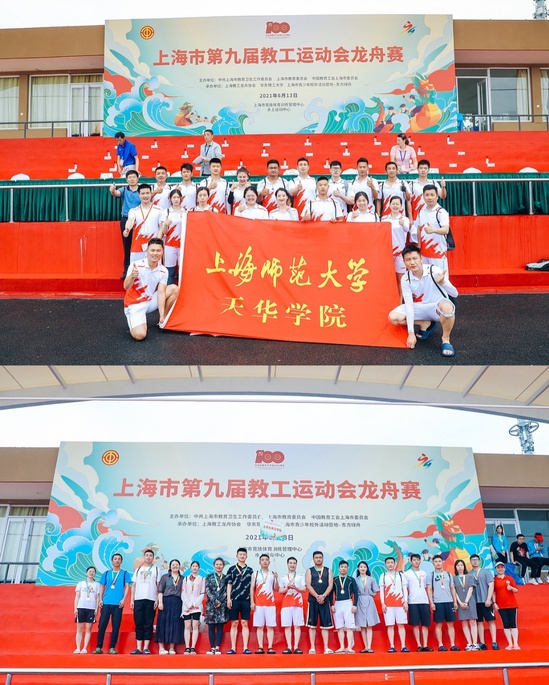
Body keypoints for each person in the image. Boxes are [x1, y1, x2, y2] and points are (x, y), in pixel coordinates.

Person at [388, 244, 458, 357]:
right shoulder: (406, 278)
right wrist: (411, 333)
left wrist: (443, 283)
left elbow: (455, 293)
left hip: (436, 307)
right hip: (420, 307)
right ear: (404, 262)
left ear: (421, 258)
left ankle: (446, 340)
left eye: (415, 258)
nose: (412, 262)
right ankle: (424, 323)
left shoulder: (433, 270)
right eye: (408, 260)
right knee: (393, 317)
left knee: (448, 308)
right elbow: (409, 305)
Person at [123, 238, 179, 341]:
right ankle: (137, 320)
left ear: (162, 252)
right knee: (140, 335)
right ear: (147, 251)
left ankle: (162, 322)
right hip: (135, 304)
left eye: (158, 251)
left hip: (150, 301)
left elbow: (161, 292)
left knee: (174, 289)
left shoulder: (163, 270)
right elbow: (126, 287)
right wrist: (132, 276)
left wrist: (161, 315)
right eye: (152, 250)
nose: (155, 253)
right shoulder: (136, 265)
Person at [93, 553, 132, 655]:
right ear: (112, 561)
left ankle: (112, 647)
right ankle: (99, 647)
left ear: (121, 561)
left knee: (116, 626)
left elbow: (127, 586)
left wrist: (124, 599)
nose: (117, 560)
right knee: (102, 625)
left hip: (118, 604)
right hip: (106, 602)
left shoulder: (125, 573)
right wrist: (100, 599)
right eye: (115, 559)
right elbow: (102, 587)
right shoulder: (106, 573)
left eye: (119, 559)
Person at [410, 185, 450, 273]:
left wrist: (433, 230)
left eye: (432, 195)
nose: (429, 197)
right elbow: (418, 229)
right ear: (423, 196)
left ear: (437, 196)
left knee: (440, 278)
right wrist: (419, 246)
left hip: (438, 254)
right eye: (427, 195)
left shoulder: (441, 212)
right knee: (426, 278)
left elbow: (446, 230)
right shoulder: (421, 211)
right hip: (424, 254)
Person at [110, 170, 140, 277]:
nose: (132, 179)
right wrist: (112, 190)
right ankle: (127, 271)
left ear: (137, 178)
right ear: (127, 179)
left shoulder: (141, 190)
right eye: (129, 177)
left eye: (134, 177)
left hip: (139, 219)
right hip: (126, 219)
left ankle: (140, 270)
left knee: (139, 245)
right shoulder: (124, 190)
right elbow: (116, 193)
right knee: (127, 246)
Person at [426, 554, 460, 652]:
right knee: (439, 624)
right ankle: (440, 645)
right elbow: (429, 589)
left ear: (442, 562)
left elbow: (452, 588)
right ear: (433, 563)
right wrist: (431, 603)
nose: (438, 563)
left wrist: (455, 601)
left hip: (449, 602)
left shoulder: (448, 574)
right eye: (436, 562)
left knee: (450, 624)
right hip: (438, 602)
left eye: (439, 561)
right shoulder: (431, 575)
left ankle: (453, 644)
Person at [123, 183, 163, 263]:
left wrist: (157, 242)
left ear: (151, 194)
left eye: (147, 193)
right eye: (143, 193)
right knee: (136, 270)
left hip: (153, 248)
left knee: (154, 270)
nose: (145, 196)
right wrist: (127, 229)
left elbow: (161, 228)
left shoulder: (159, 210)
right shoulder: (133, 211)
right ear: (139, 195)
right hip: (137, 247)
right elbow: (130, 221)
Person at [130, 548, 160, 654]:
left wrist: (157, 599)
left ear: (153, 558)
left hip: (151, 599)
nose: (148, 557)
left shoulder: (156, 569)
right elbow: (133, 585)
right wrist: (132, 600)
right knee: (138, 623)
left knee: (148, 623)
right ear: (144, 557)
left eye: (151, 555)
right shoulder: (138, 570)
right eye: (147, 555)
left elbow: (158, 586)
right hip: (138, 599)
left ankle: (146, 648)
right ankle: (138, 647)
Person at [225, 547, 254, 654]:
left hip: (246, 600)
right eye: (240, 554)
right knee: (234, 623)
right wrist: (228, 599)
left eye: (244, 554)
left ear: (246, 556)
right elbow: (229, 584)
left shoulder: (250, 570)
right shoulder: (231, 569)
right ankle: (233, 648)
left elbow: (252, 587)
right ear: (236, 556)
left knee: (245, 623)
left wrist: (252, 601)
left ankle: (245, 647)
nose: (242, 556)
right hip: (234, 599)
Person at [305, 550, 334, 654]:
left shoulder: (328, 570)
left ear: (323, 558)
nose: (318, 559)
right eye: (316, 557)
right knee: (312, 625)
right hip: (313, 600)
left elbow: (330, 585)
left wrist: (324, 596)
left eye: (320, 557)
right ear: (313, 559)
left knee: (325, 625)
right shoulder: (309, 571)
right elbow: (308, 585)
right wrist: (317, 596)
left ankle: (326, 647)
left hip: (325, 601)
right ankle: (312, 647)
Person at [379, 557, 409, 653]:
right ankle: (392, 646)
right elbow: (381, 591)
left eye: (392, 562)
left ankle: (403, 646)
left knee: (401, 625)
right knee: (390, 625)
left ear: (395, 564)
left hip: (400, 603)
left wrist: (405, 601)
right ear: (385, 564)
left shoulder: (400, 575)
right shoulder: (383, 576)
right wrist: (383, 603)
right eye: (388, 562)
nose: (390, 564)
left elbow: (405, 589)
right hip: (388, 604)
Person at [250, 553, 279, 653]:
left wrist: (276, 578)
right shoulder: (255, 573)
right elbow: (252, 588)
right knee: (260, 626)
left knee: (270, 626)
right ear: (259, 562)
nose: (265, 561)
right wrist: (252, 602)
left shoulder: (272, 574)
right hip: (258, 604)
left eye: (266, 560)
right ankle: (260, 647)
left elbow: (276, 589)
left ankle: (270, 647)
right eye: (262, 560)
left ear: (269, 562)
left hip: (270, 604)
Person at [469, 554, 498, 650]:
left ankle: (494, 642)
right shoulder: (469, 574)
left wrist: (489, 599)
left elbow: (491, 585)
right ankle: (482, 642)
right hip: (475, 602)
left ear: (479, 561)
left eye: (476, 560)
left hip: (486, 600)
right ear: (470, 562)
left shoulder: (486, 572)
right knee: (479, 622)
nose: (475, 561)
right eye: (473, 560)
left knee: (491, 620)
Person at [404, 553, 432, 652]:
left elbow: (427, 587)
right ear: (411, 561)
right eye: (414, 560)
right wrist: (406, 601)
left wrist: (430, 602)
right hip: (413, 602)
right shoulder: (407, 573)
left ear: (420, 561)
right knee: (415, 624)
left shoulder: (424, 573)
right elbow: (405, 588)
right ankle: (419, 645)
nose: (416, 562)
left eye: (417, 560)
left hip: (424, 601)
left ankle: (425, 644)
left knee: (425, 624)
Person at [156, 559, 185, 654]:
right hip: (165, 601)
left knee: (175, 623)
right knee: (162, 623)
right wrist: (160, 602)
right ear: (170, 566)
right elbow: (160, 591)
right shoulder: (165, 577)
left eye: (177, 564)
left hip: (177, 602)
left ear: (179, 566)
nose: (175, 566)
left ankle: (172, 647)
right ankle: (161, 648)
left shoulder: (183, 578)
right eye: (173, 564)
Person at [384, 195, 411, 298]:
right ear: (389, 205)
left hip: (400, 253)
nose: (395, 206)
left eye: (397, 204)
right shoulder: (384, 219)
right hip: (387, 253)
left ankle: (400, 301)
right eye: (393, 204)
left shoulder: (404, 219)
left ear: (401, 206)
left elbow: (407, 229)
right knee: (388, 277)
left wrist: (402, 224)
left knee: (401, 278)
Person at [278, 556, 306, 654]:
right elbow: (280, 590)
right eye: (290, 563)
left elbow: (304, 589)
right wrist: (287, 587)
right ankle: (289, 647)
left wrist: (296, 587)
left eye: (294, 563)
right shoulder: (283, 578)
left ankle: (296, 647)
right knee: (287, 626)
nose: (292, 565)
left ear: (296, 565)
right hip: (286, 604)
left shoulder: (301, 576)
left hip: (297, 604)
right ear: (287, 564)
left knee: (297, 626)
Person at [158, 188, 185, 285]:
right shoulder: (166, 212)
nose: (176, 199)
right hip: (169, 244)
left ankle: (182, 290)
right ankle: (169, 290)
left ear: (181, 198)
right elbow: (164, 232)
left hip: (183, 245)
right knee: (170, 271)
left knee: (182, 270)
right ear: (170, 198)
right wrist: (165, 224)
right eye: (174, 197)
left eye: (178, 197)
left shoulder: (186, 212)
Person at [331, 560, 358, 653]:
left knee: (349, 626)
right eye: (342, 567)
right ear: (339, 568)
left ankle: (349, 647)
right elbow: (331, 593)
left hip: (348, 603)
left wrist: (355, 605)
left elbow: (356, 593)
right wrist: (331, 604)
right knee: (340, 627)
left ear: (348, 568)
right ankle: (342, 646)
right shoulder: (334, 580)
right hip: (338, 603)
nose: (343, 569)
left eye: (345, 567)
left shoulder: (351, 579)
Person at [493, 560, 520, 650]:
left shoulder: (509, 578)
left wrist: (511, 588)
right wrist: (494, 603)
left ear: (504, 568)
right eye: (498, 567)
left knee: (513, 624)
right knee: (506, 624)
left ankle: (515, 643)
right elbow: (493, 593)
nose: (500, 569)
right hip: (501, 606)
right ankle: (510, 644)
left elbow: (516, 590)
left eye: (502, 567)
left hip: (512, 605)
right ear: (496, 569)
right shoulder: (494, 580)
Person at [453, 559, 479, 650]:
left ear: (464, 566)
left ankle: (475, 643)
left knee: (472, 621)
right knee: (464, 623)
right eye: (458, 565)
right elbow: (454, 592)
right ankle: (469, 643)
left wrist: (466, 602)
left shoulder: (470, 576)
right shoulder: (454, 578)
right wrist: (460, 603)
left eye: (461, 565)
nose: (460, 567)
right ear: (455, 567)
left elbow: (471, 589)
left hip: (470, 601)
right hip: (460, 603)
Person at [205, 557, 229, 655]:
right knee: (211, 627)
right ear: (214, 566)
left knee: (220, 627)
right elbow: (207, 590)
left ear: (223, 566)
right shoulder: (209, 577)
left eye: (220, 564)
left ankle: (217, 648)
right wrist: (215, 601)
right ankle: (212, 648)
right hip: (211, 605)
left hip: (222, 605)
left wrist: (220, 601)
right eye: (217, 564)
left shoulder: (226, 577)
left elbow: (227, 591)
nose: (219, 566)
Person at [354, 561, 380, 653]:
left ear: (367, 568)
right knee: (362, 625)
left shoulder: (371, 579)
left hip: (369, 600)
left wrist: (371, 596)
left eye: (364, 567)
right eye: (361, 567)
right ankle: (365, 646)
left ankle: (369, 647)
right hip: (359, 601)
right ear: (358, 568)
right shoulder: (355, 580)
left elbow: (376, 590)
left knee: (369, 625)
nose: (363, 568)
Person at [74, 566, 100, 654]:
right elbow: (77, 596)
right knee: (79, 629)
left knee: (88, 629)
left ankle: (84, 648)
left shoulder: (97, 585)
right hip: (81, 607)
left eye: (93, 572)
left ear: (95, 574)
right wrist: (75, 608)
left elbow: (97, 598)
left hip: (91, 608)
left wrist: (96, 609)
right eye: (90, 571)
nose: (91, 573)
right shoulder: (81, 583)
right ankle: (78, 648)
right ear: (86, 573)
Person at [181, 560, 206, 654]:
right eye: (193, 566)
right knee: (187, 626)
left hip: (196, 606)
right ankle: (187, 647)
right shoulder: (185, 579)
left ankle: (193, 647)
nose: (195, 568)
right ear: (190, 568)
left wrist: (195, 603)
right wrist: (188, 603)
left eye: (196, 566)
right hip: (187, 606)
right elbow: (183, 592)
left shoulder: (202, 579)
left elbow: (202, 593)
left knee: (195, 626)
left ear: (199, 568)